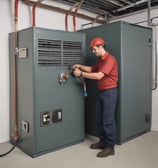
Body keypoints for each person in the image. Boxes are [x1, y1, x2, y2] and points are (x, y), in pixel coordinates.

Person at [72, 37, 118, 158]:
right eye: (92, 50)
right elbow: (92, 69)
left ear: (101, 46)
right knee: (99, 118)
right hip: (102, 92)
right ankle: (103, 142)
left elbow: (98, 76)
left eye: (94, 49)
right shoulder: (101, 60)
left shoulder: (110, 59)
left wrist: (80, 74)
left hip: (110, 92)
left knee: (108, 121)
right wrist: (80, 66)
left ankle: (110, 147)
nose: (93, 51)